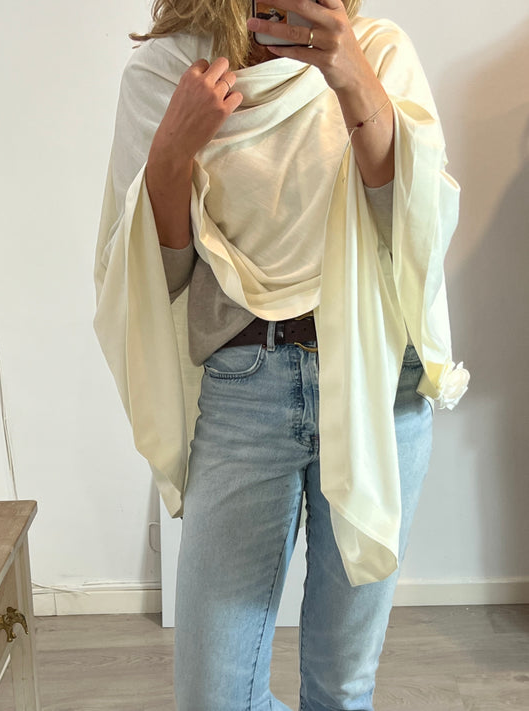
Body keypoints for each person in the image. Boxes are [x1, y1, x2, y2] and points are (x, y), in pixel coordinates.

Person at [93, 1, 470, 709]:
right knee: (214, 696)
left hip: (377, 382)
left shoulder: (376, 51)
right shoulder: (168, 71)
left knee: (341, 687)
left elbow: (412, 232)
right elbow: (156, 278)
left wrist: (352, 79)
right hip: (245, 384)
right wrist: (172, 154)